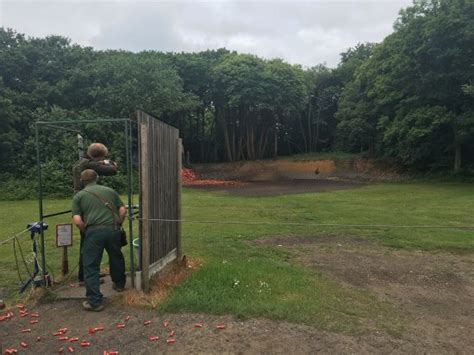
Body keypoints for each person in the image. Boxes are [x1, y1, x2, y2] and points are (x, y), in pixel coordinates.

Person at [72, 169, 126, 311]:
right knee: (116, 257)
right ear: (97, 178)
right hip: (113, 229)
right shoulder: (110, 190)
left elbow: (77, 220)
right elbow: (122, 209)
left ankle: (95, 302)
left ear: (82, 181)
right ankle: (119, 284)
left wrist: (85, 230)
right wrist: (119, 223)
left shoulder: (79, 196)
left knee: (90, 265)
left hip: (93, 231)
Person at [72, 143, 118, 283]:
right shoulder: (91, 165)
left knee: (86, 240)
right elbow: (113, 170)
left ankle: (87, 273)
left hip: (82, 200)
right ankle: (87, 276)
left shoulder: (81, 162)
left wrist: (102, 162)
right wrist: (111, 163)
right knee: (88, 242)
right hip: (88, 201)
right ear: (98, 156)